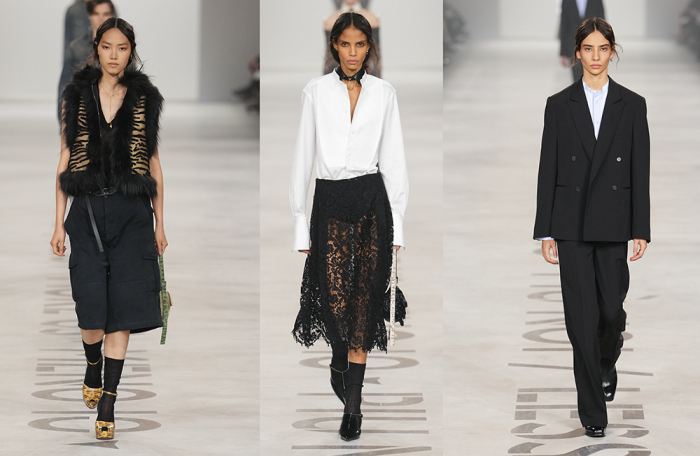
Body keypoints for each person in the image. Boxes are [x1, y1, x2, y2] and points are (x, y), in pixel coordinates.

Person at [289, 12, 408, 442]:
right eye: (345, 44)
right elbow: (302, 157)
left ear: (369, 46)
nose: (353, 53)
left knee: (364, 303)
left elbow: (394, 160)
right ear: (334, 46)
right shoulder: (316, 92)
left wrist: (399, 226)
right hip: (331, 202)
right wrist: (299, 222)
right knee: (334, 302)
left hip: (372, 201)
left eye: (360, 44)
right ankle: (339, 357)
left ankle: (353, 407)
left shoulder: (384, 94)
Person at [50, 17, 166, 440]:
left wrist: (160, 222)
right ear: (96, 48)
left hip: (132, 212)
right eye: (107, 47)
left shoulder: (144, 98)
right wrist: (58, 222)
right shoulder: (76, 96)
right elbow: (66, 157)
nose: (114, 55)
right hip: (86, 212)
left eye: (122, 48)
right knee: (90, 311)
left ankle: (109, 404)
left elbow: (153, 161)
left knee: (122, 311)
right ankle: (92, 362)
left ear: (131, 52)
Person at [534, 18, 650, 438]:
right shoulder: (558, 104)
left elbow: (640, 168)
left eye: (603, 49)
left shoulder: (632, 104)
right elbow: (548, 167)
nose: (596, 56)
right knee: (580, 321)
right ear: (577, 52)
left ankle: (606, 360)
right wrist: (546, 230)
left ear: (612, 52)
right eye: (589, 49)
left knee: (611, 313)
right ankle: (593, 412)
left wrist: (641, 227)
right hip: (571, 222)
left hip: (615, 221)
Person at [58, 0, 116, 124]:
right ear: (89, 15)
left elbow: (134, 88)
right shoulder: (76, 48)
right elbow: (66, 85)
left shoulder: (122, 51)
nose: (101, 18)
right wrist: (64, 123)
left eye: (106, 14)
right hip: (83, 117)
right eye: (96, 14)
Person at [323, 0, 381, 77]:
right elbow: (329, 57)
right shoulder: (330, 20)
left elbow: (375, 54)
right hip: (337, 75)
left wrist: (378, 79)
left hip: (366, 74)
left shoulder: (372, 19)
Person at [559, 0, 605, 81]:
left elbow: (602, 23)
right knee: (577, 78)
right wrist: (563, 52)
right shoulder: (567, 1)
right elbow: (564, 25)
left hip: (593, 45)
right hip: (573, 46)